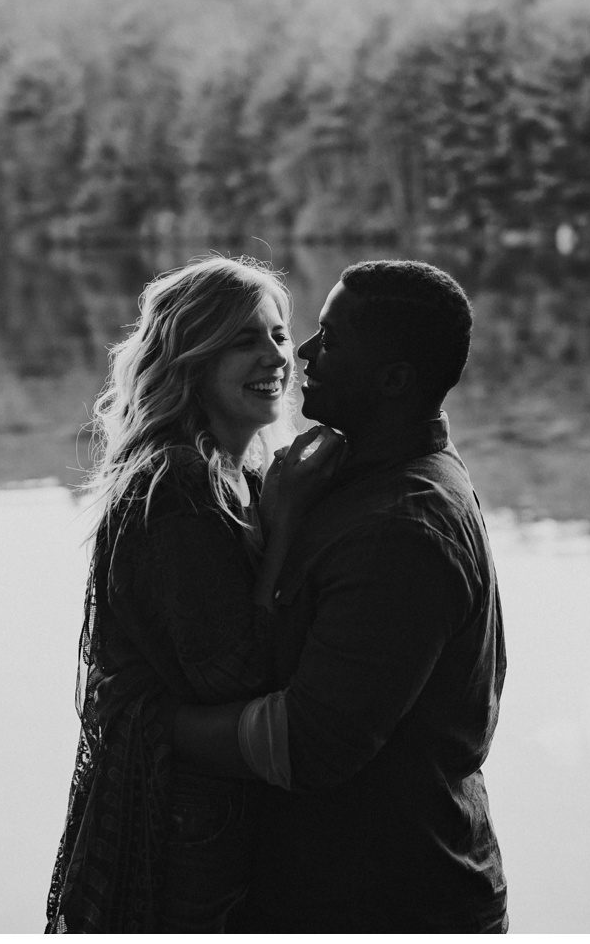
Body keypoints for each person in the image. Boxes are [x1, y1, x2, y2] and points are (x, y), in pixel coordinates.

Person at [171, 259, 510, 932]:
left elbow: (308, 742)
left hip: (393, 904)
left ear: (392, 380)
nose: (302, 352)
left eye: (331, 339)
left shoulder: (405, 531)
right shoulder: (354, 470)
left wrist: (154, 727)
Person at [43, 255, 340, 933]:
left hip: (217, 815)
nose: (275, 356)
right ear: (192, 360)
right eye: (244, 339)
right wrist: (289, 524)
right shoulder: (175, 487)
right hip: (181, 833)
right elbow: (234, 674)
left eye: (276, 334)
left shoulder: (244, 470)